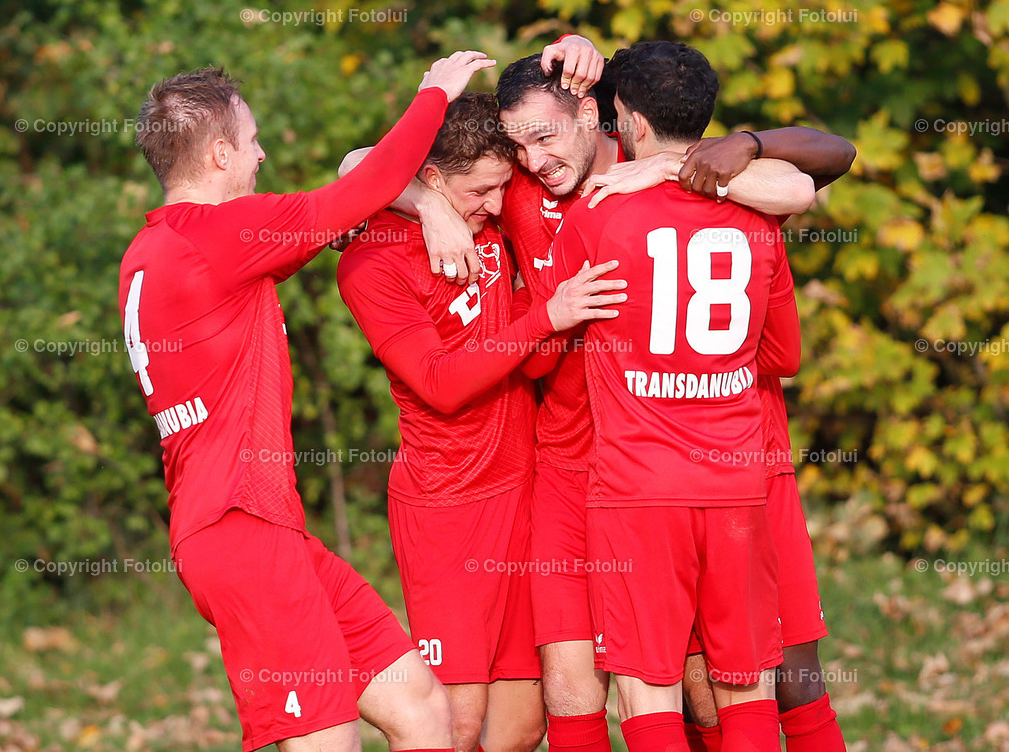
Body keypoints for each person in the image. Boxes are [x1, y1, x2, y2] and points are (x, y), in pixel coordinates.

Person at [119, 52, 495, 752]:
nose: (262, 154)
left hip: (263, 530)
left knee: (421, 708)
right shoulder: (214, 237)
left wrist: (424, 208)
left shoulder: (154, 249)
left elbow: (341, 213)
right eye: (253, 139)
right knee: (326, 741)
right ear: (220, 152)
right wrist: (435, 94)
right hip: (240, 527)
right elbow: (367, 184)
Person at [335, 91, 627, 752]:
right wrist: (543, 317)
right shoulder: (371, 261)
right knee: (454, 725)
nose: (497, 206)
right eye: (479, 192)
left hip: (528, 495)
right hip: (449, 508)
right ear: (432, 178)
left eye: (502, 188)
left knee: (524, 725)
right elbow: (439, 385)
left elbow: (584, 136)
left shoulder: (485, 219)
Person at [550, 40, 802, 752]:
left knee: (647, 684)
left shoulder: (594, 214)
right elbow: (785, 355)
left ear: (626, 120)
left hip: (636, 487)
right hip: (736, 482)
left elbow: (552, 350)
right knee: (745, 683)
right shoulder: (758, 217)